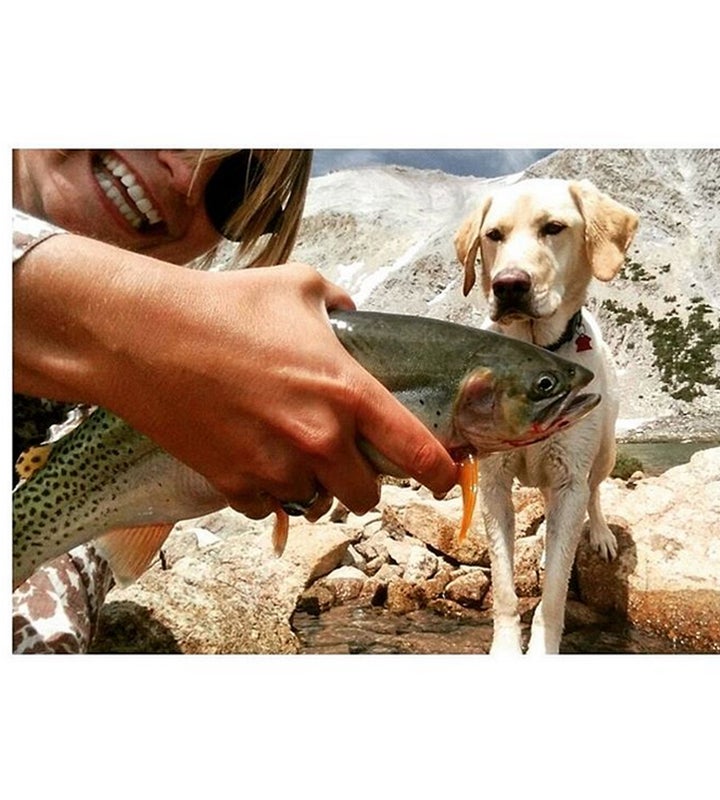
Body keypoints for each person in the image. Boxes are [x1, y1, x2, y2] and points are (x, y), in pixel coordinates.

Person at [12, 149, 458, 652]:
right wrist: (158, 329)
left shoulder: (88, 425)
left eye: (236, 185)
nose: (185, 177)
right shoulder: (154, 363)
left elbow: (48, 563)